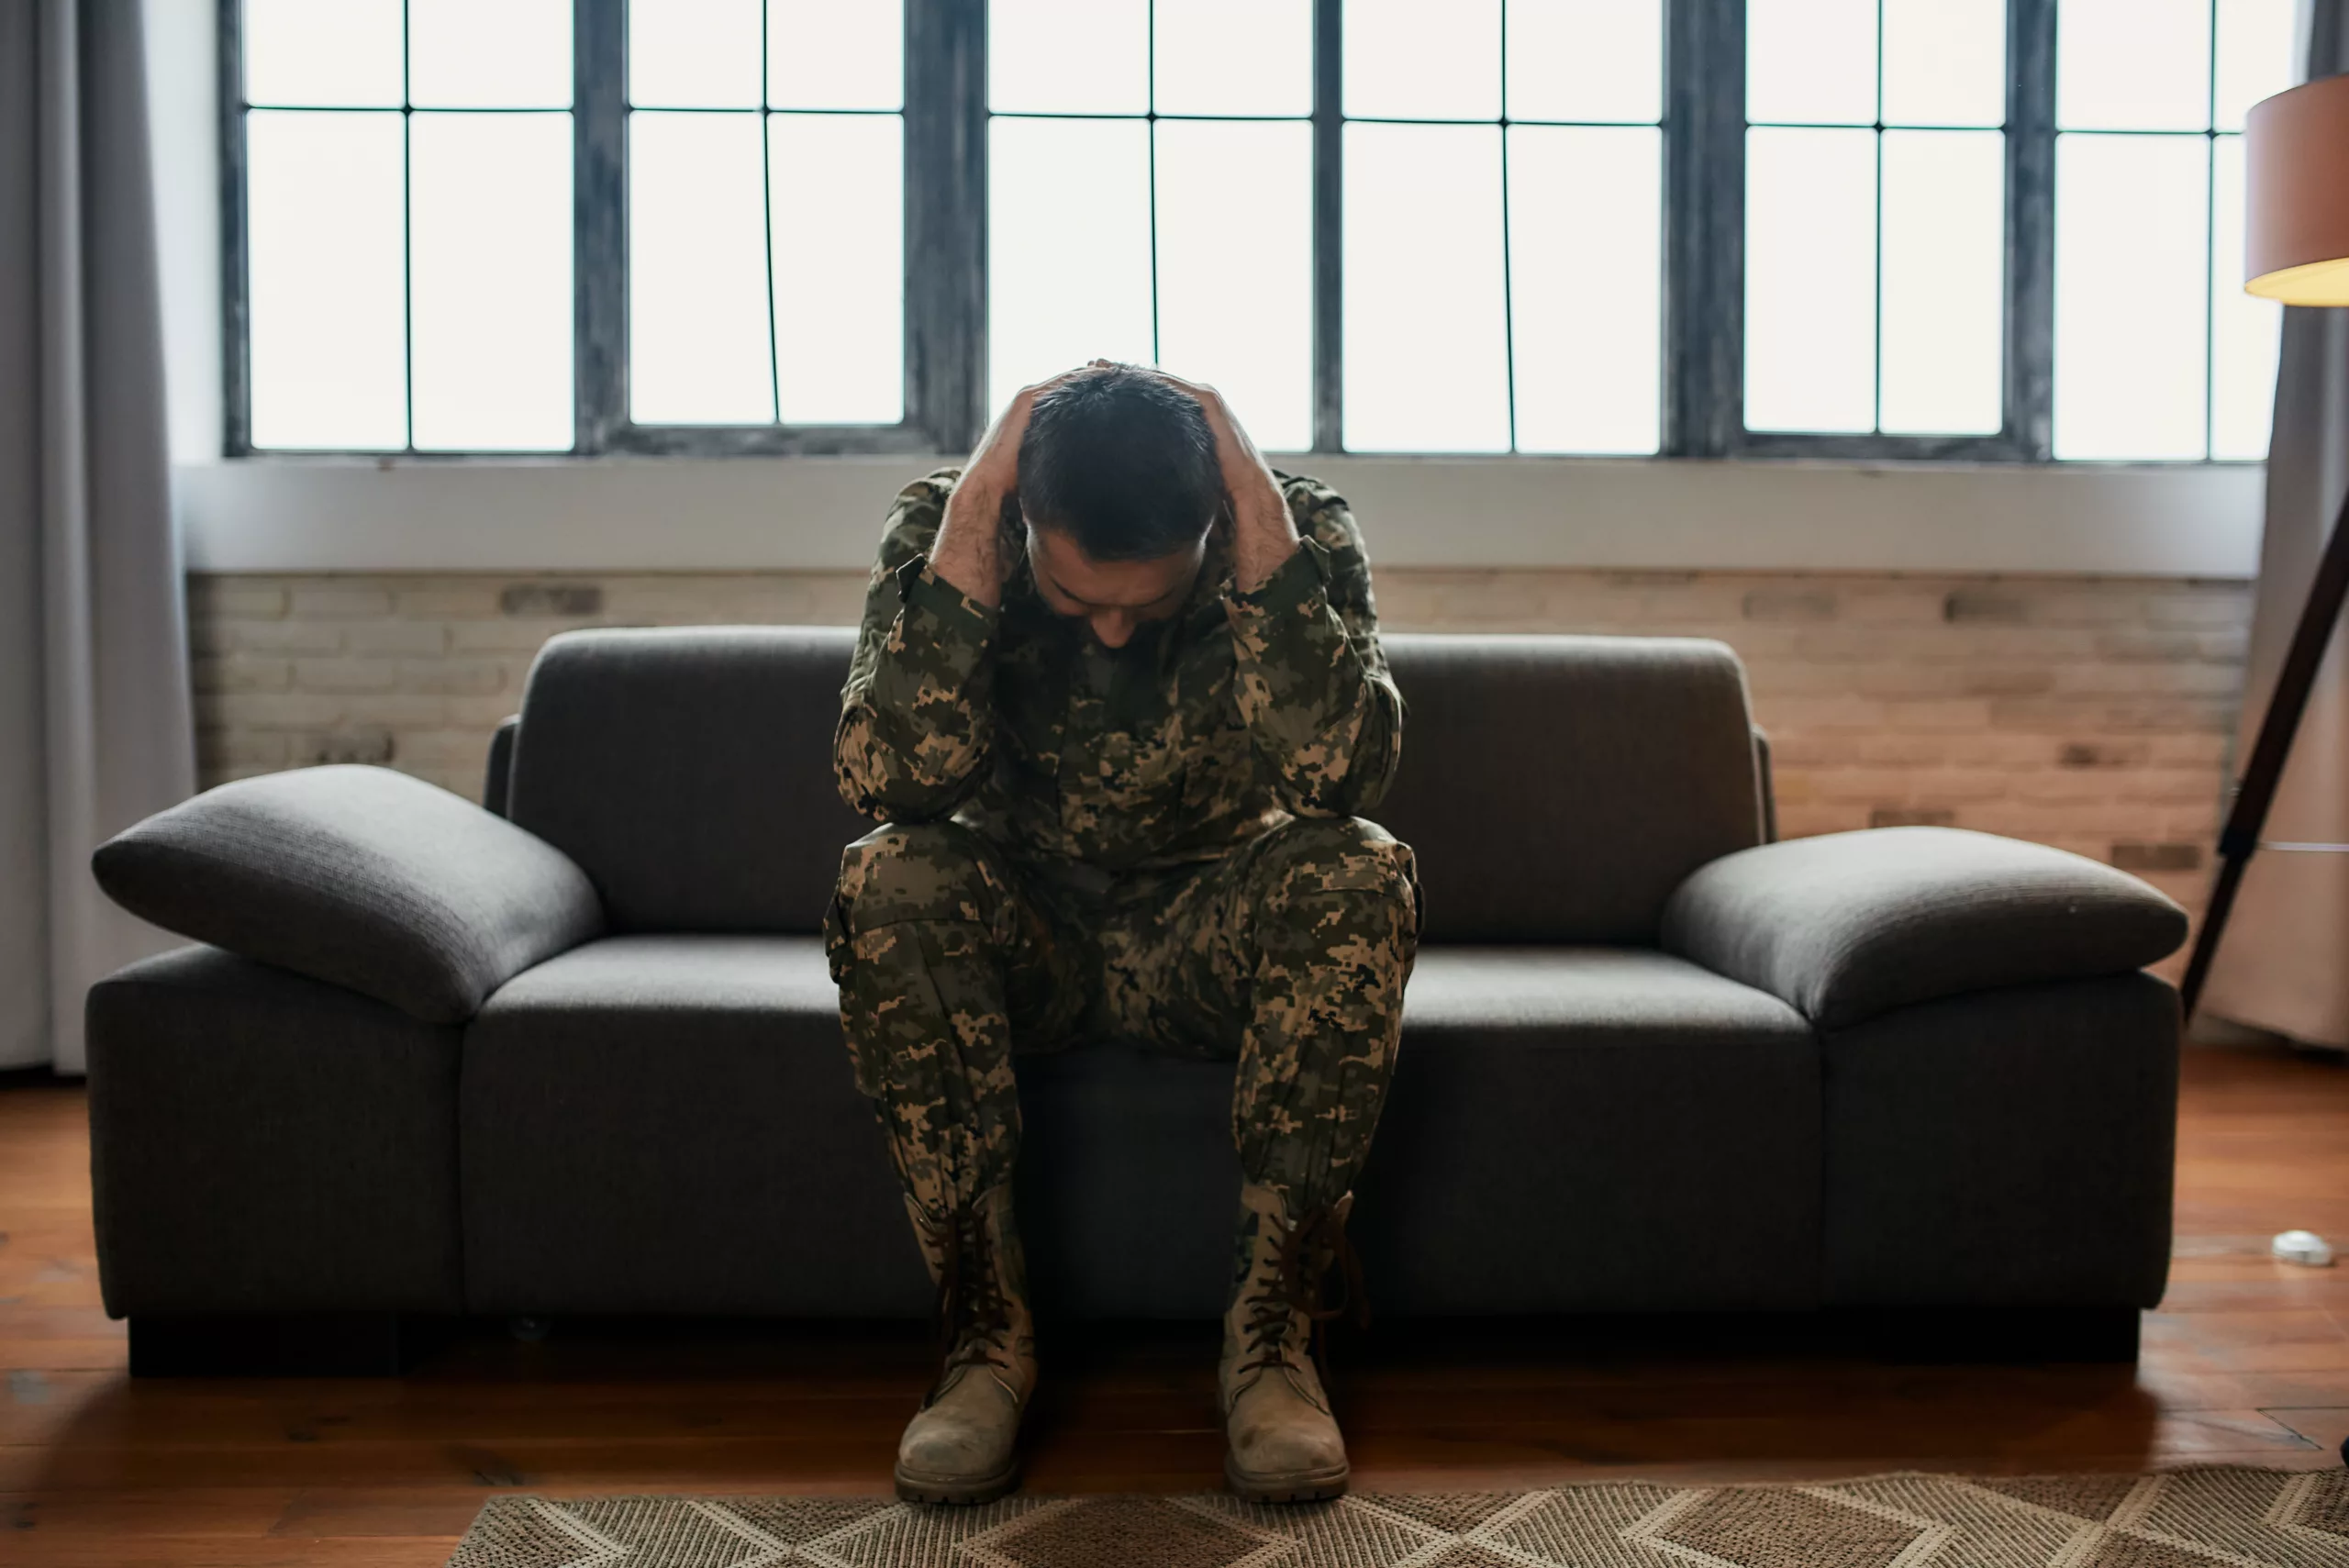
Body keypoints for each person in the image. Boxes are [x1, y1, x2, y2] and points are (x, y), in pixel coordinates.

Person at [825, 361, 1420, 1506]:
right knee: (890, 873)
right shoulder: (949, 525)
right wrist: (976, 526)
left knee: (1359, 870)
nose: (1106, 628)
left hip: (1208, 931)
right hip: (1026, 929)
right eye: (1074, 592)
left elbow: (1338, 772)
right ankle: (984, 1343)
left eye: (1144, 603)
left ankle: (1274, 1343)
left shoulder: (1292, 532)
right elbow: (890, 778)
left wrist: (1259, 521)